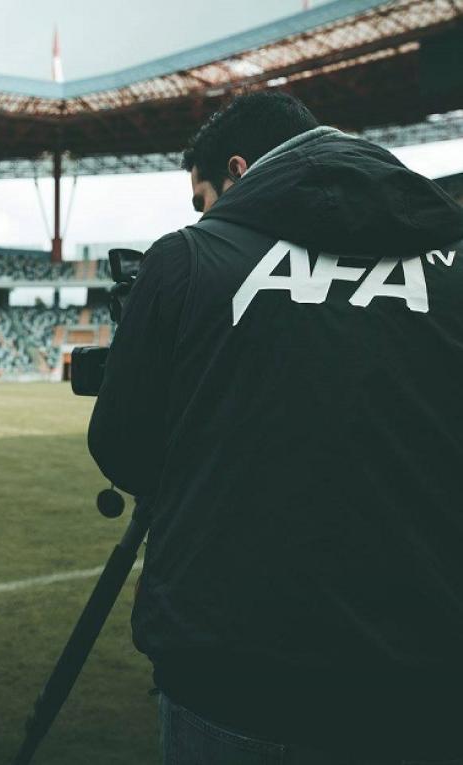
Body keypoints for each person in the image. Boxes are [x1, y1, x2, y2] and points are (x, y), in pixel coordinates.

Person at [87, 92, 463, 763]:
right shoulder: (451, 253)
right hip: (430, 673)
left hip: (236, 677)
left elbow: (125, 452)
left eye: (203, 198)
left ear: (236, 172)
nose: (203, 217)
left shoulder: (189, 257)